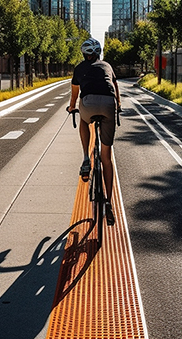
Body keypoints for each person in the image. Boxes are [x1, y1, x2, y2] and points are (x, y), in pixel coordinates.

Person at [66, 37, 121, 226]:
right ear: (98, 53)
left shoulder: (79, 68)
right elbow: (115, 86)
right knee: (106, 158)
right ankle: (108, 202)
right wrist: (118, 106)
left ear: (84, 54)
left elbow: (74, 94)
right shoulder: (107, 65)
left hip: (88, 103)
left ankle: (85, 159)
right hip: (108, 104)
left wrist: (72, 107)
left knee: (83, 118)